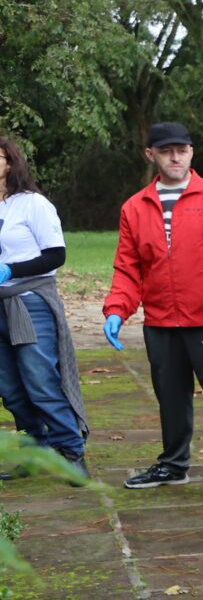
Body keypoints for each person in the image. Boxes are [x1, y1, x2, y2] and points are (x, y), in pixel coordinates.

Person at [105, 122, 203, 500]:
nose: (176, 157)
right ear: (151, 154)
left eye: (183, 149)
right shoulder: (134, 208)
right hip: (160, 320)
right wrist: (116, 310)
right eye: (166, 150)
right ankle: (174, 464)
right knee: (170, 396)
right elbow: (128, 267)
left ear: (192, 151)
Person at [0, 135, 88, 475]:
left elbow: (56, 255)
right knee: (10, 388)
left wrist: (12, 270)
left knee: (40, 382)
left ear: (11, 161)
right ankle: (34, 453)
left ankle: (71, 452)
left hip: (29, 303)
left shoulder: (33, 204)